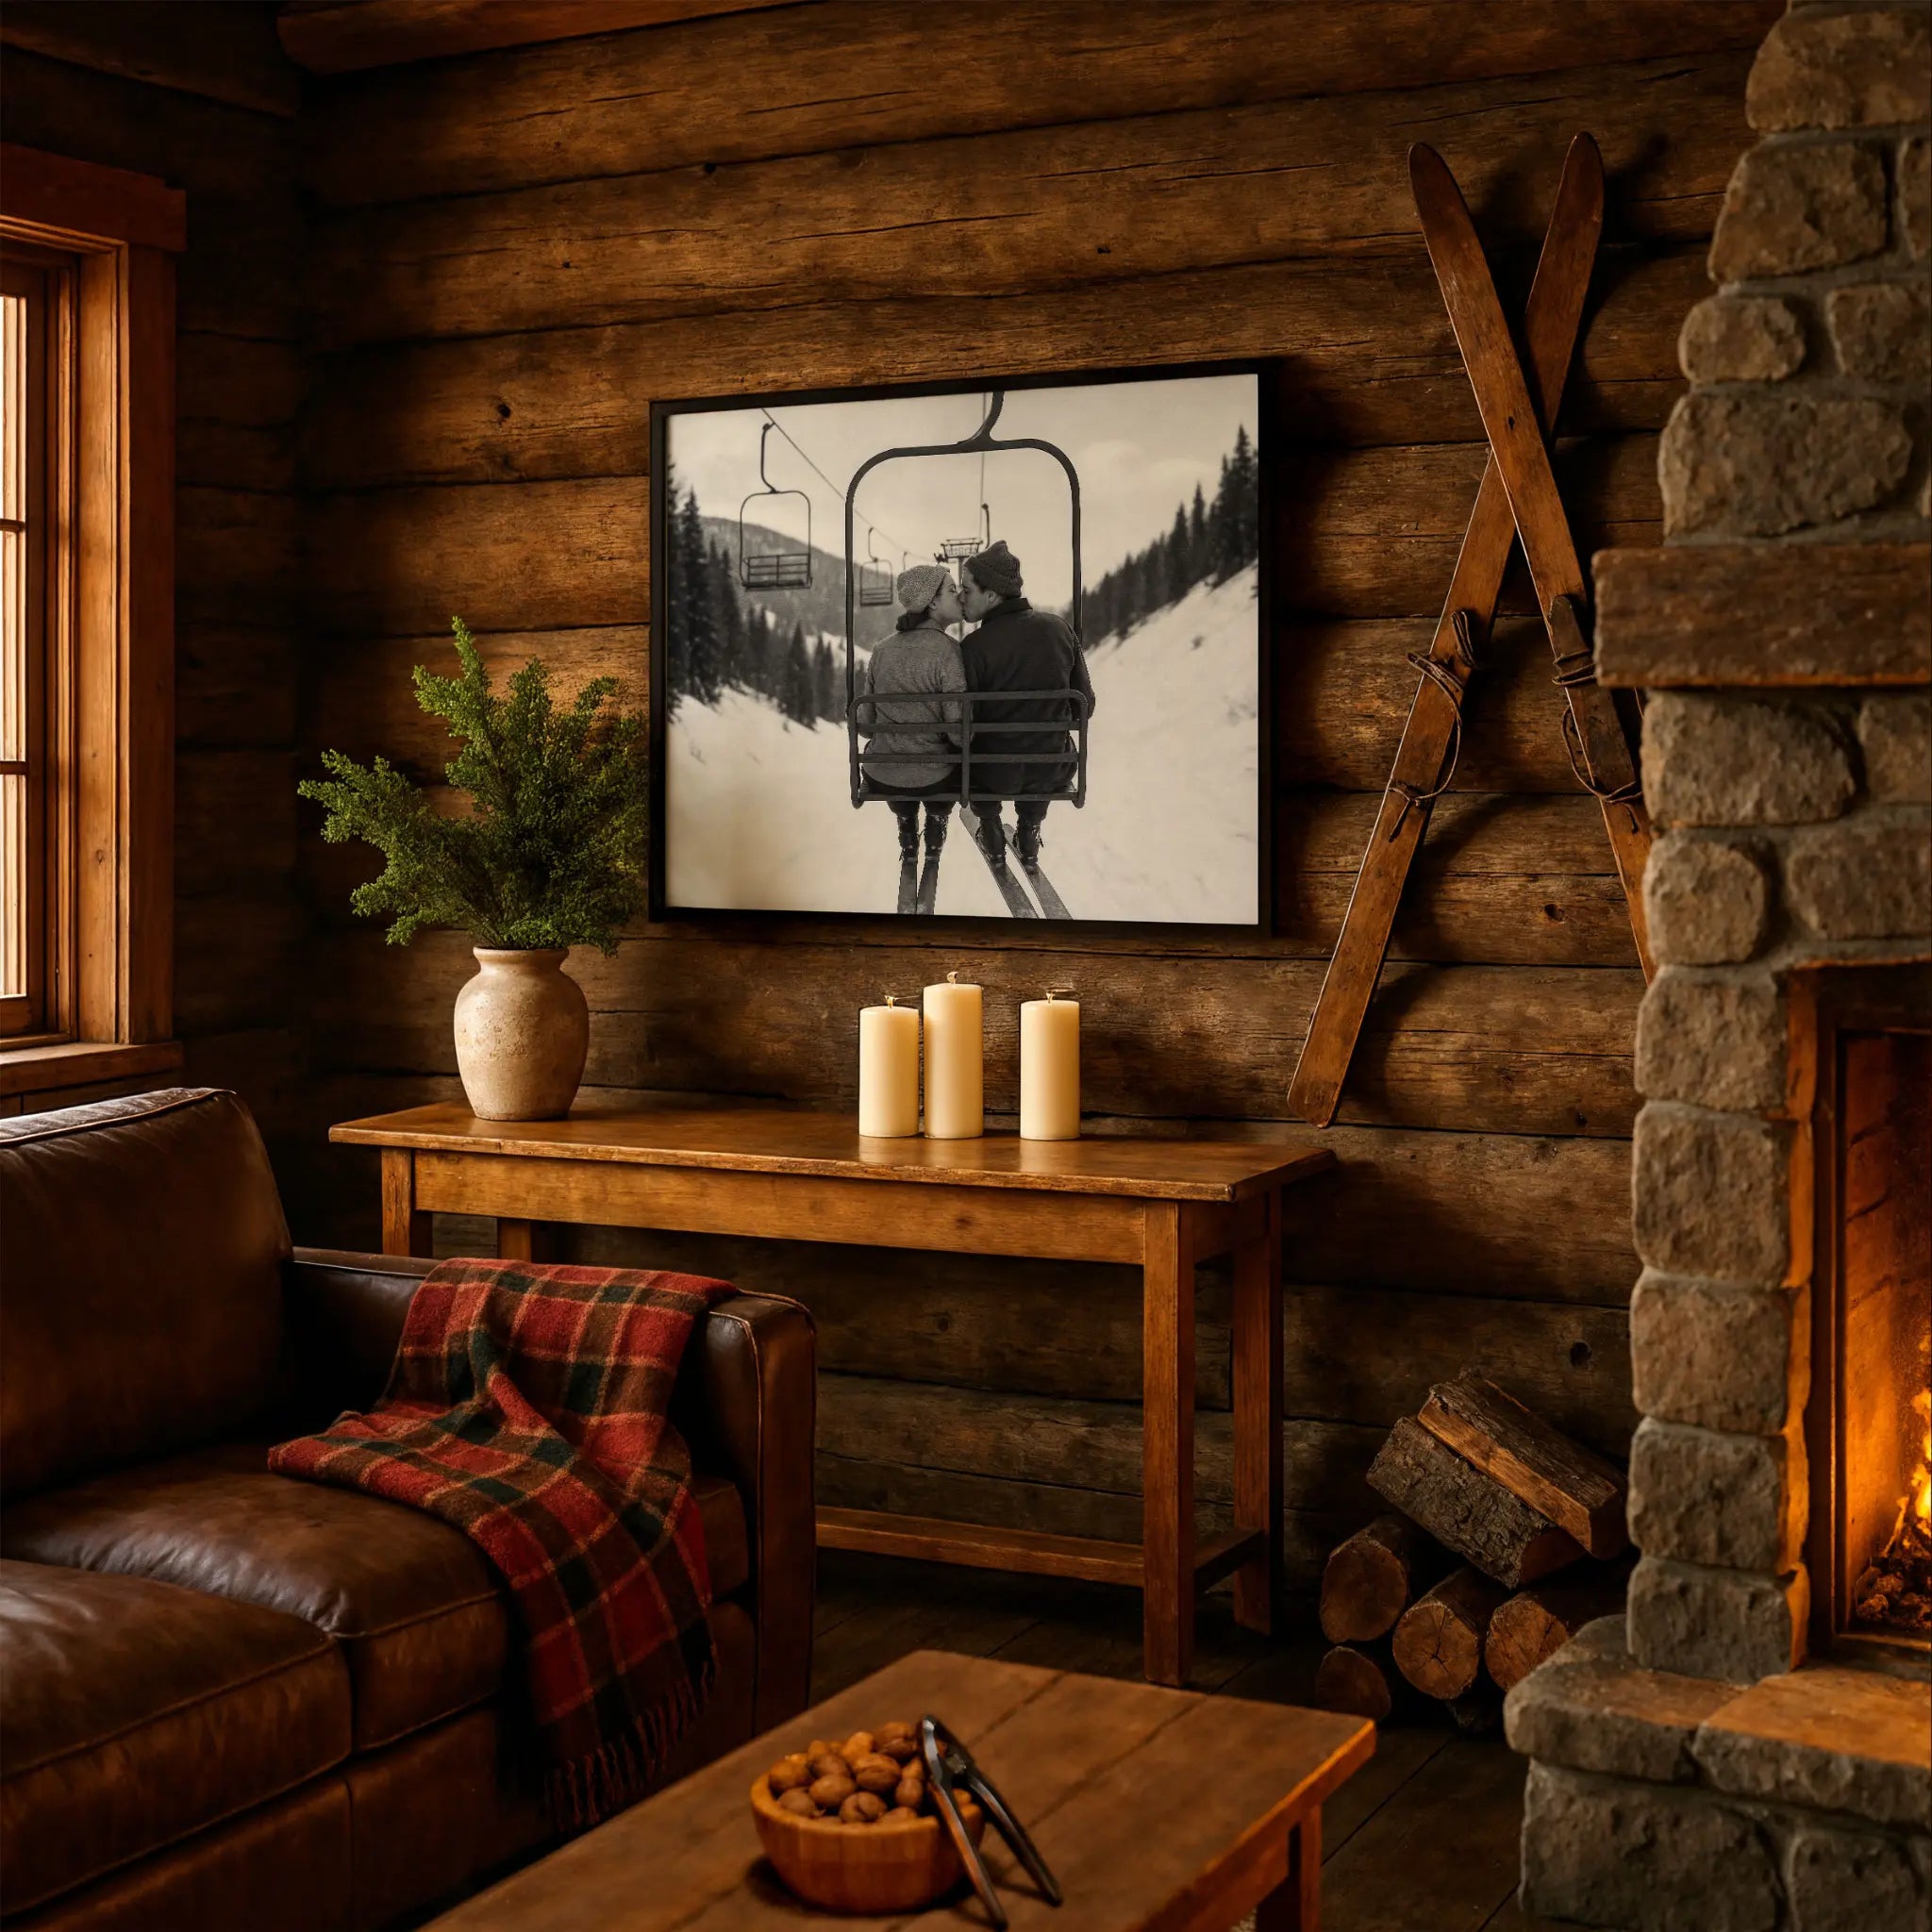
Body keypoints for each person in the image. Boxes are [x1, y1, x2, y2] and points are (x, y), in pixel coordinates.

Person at [957, 540, 1094, 870]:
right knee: (1041, 747)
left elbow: (963, 720)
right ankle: (1029, 830)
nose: (961, 597)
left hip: (992, 775)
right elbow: (1085, 704)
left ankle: (990, 830)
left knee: (973, 752)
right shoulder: (1059, 628)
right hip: (1052, 769)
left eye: (966, 589)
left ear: (991, 595)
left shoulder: (973, 647)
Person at [858, 562, 968, 872]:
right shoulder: (948, 651)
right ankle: (935, 826)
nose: (958, 595)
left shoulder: (881, 650)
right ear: (932, 603)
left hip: (884, 777)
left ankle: (907, 828)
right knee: (943, 768)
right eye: (950, 589)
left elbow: (866, 724)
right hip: (934, 779)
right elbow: (959, 732)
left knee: (897, 767)